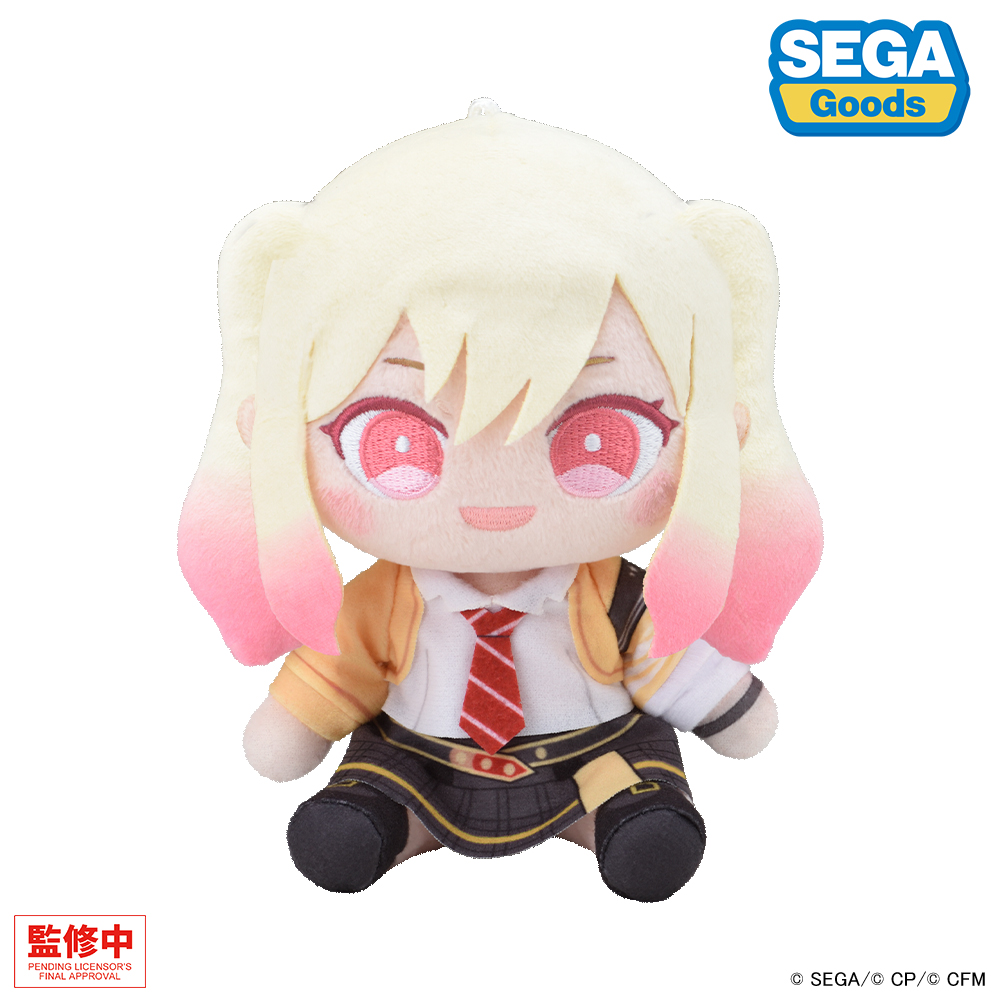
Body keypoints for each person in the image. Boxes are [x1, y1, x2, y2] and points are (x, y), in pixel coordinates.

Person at [179, 102, 821, 901]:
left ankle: (622, 825)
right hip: (424, 760)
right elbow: (337, 672)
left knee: (632, 792)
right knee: (371, 791)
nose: (494, 496)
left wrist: (732, 710)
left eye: (601, 437)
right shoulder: (385, 601)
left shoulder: (613, 598)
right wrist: (296, 725)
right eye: (394, 442)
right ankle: (384, 822)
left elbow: (668, 658)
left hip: (591, 757)